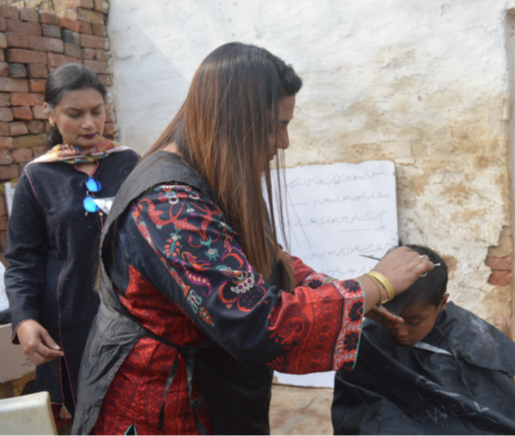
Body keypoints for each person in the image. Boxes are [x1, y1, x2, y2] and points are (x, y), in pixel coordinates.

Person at [72, 42, 432, 436]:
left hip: (206, 384)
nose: (284, 143)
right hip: (159, 401)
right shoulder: (169, 205)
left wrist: (341, 292)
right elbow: (258, 323)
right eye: (277, 125)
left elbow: (257, 259)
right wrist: (374, 285)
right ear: (235, 120)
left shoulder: (211, 173)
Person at [4, 64, 140, 427]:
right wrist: (25, 318)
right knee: (89, 415)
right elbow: (21, 259)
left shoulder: (128, 162)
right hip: (70, 324)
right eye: (74, 114)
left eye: (97, 111)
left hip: (132, 316)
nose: (89, 124)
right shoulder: (38, 176)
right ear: (50, 114)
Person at [332, 245, 515, 436]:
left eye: (413, 321)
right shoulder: (367, 338)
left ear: (442, 303)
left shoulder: (472, 340)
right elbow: (357, 409)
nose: (399, 330)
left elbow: (501, 414)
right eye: (389, 317)